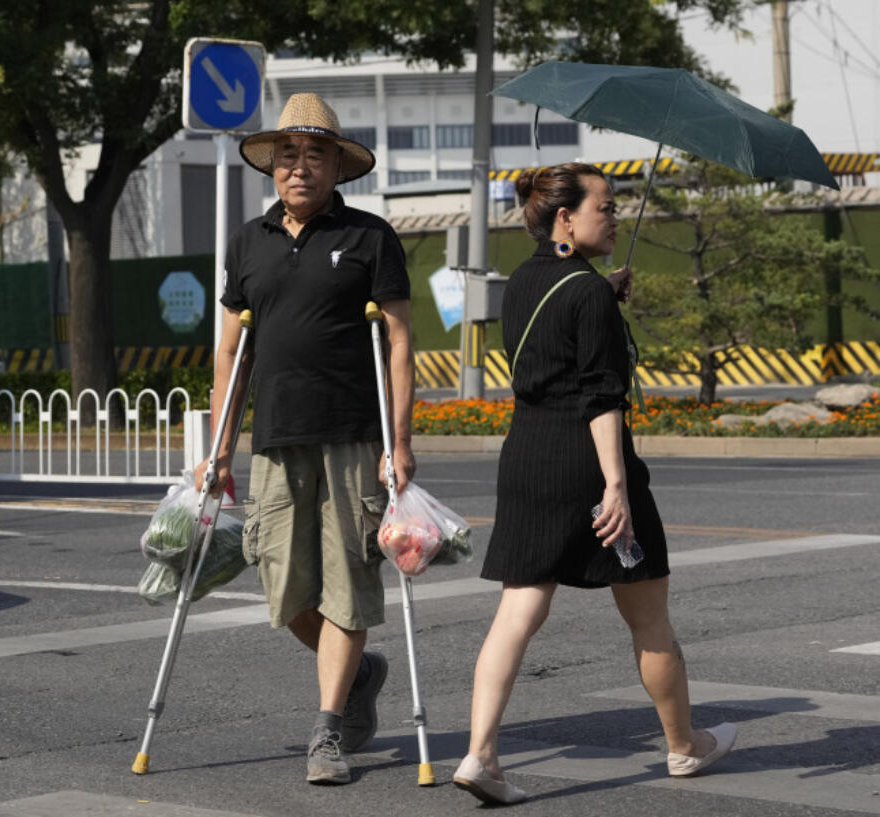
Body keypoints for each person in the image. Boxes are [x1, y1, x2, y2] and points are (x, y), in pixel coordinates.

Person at [456, 163, 736, 805]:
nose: (613, 216)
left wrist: (602, 290)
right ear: (567, 217)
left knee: (518, 608)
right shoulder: (586, 294)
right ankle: (684, 746)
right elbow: (602, 398)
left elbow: (560, 327)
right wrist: (615, 487)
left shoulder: (526, 280)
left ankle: (481, 755)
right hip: (587, 460)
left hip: (526, 455)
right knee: (648, 614)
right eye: (604, 207)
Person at [197, 93, 415, 785]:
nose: (300, 167)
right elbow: (231, 354)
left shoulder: (371, 237)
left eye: (314, 154)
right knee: (283, 588)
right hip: (275, 437)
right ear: (272, 166)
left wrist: (399, 442)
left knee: (348, 582)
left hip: (354, 434)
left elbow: (400, 344)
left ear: (336, 166)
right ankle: (358, 675)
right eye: (287, 155)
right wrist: (218, 448)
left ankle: (327, 732)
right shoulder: (247, 241)